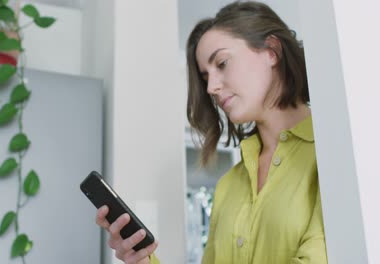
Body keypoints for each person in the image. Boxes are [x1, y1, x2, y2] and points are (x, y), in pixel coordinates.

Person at [95, 1, 328, 263]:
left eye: (222, 63)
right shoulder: (229, 187)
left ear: (272, 51)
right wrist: (144, 260)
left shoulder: (332, 156)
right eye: (206, 77)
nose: (211, 87)